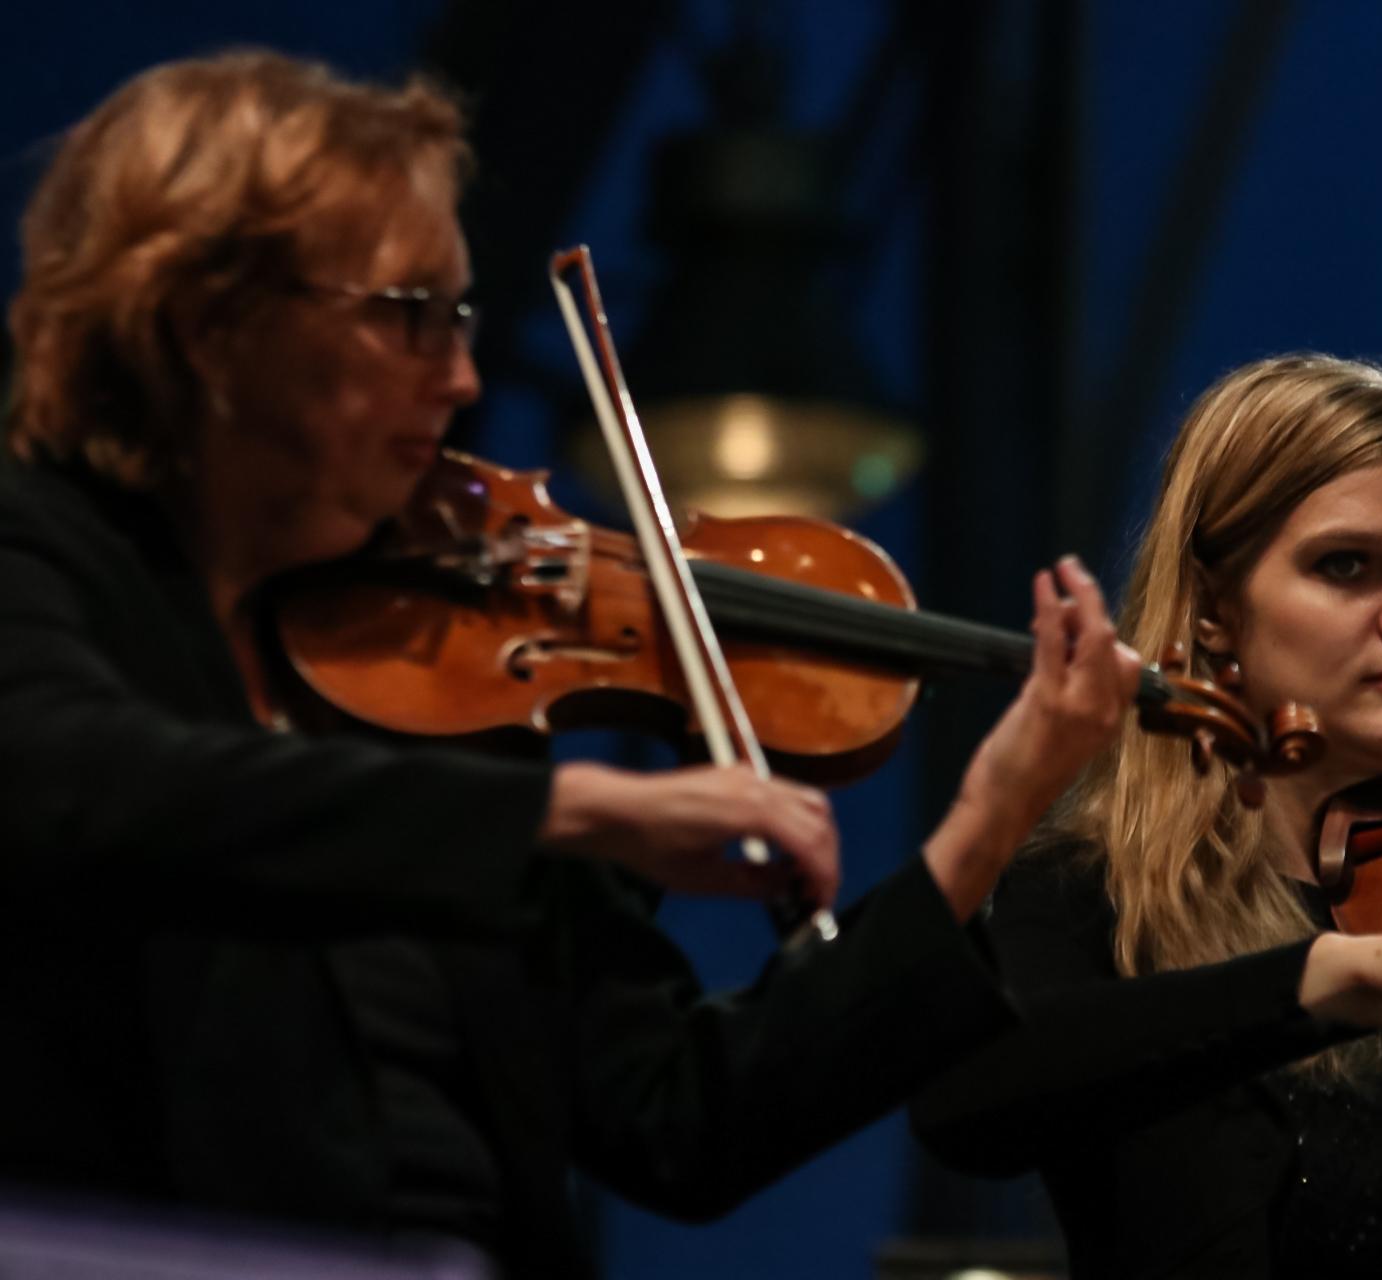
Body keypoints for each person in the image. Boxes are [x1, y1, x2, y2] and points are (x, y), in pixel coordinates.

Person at [0, 50, 1141, 1278]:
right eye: (408, 313)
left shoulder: (431, 671)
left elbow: (683, 1115)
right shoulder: (42, 558)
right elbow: (76, 780)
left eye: (462, 317)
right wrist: (577, 810)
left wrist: (989, 817)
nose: (462, 376)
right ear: (208, 324)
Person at [911, 355, 1382, 1279]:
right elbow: (966, 1103)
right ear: (1215, 609)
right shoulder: (1091, 898)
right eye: (1346, 566)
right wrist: (1347, 976)